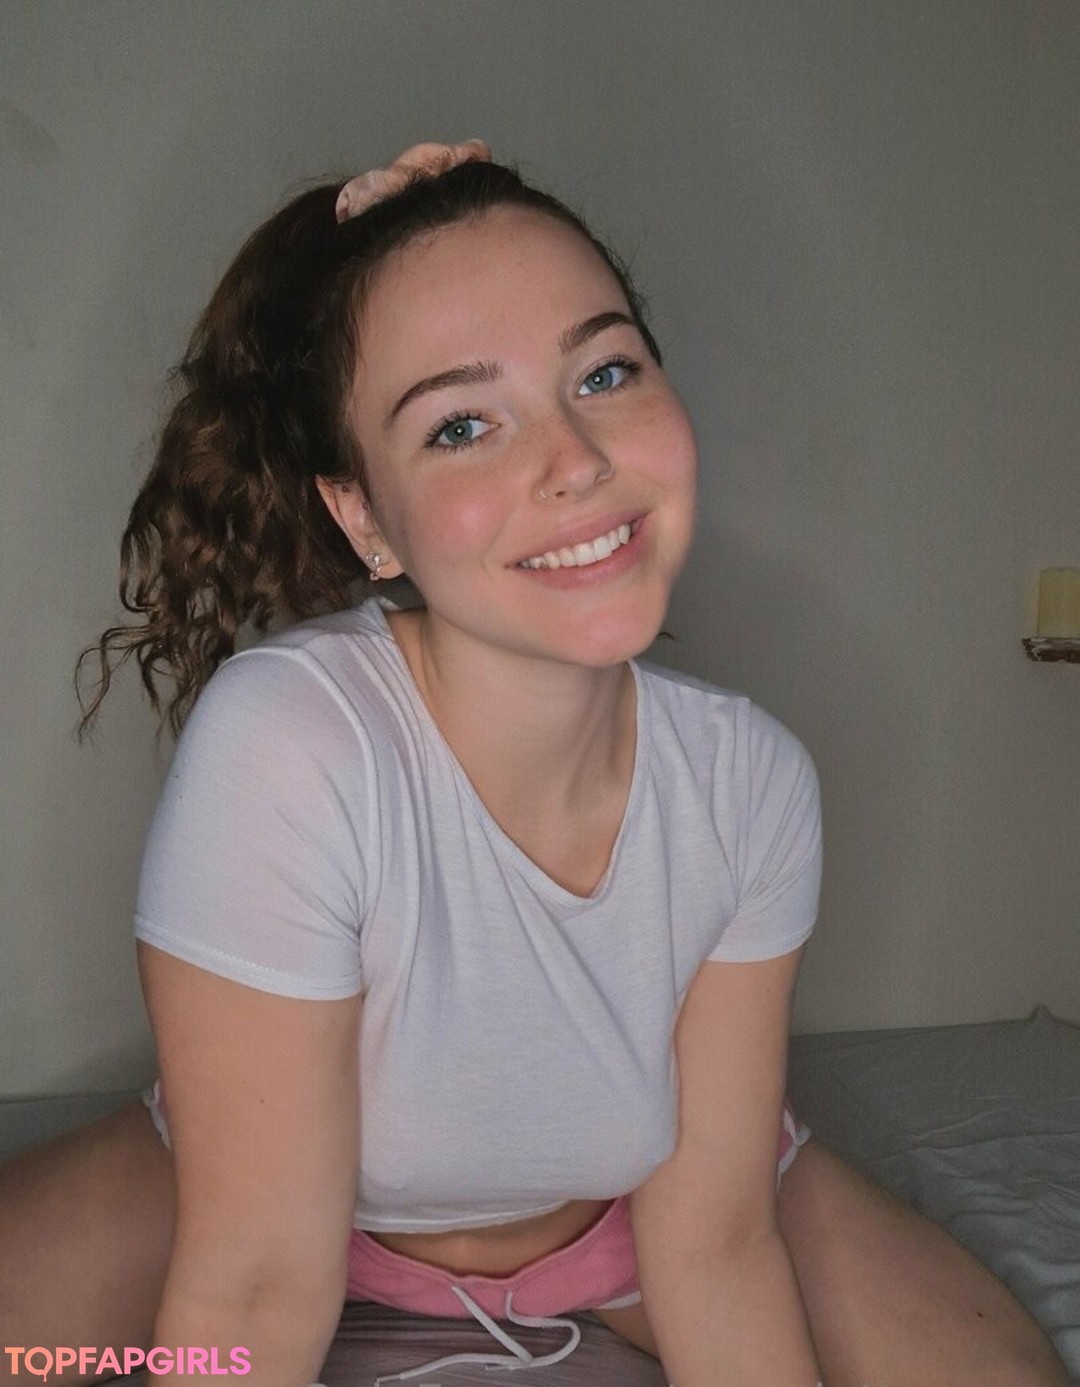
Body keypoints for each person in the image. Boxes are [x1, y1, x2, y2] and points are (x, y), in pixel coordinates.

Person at [0, 140, 1068, 1387]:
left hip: (621, 1221)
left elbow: (716, 1246)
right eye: (462, 425)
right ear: (363, 517)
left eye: (604, 372)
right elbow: (253, 1279)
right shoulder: (292, 744)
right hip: (275, 1194)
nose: (574, 461)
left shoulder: (751, 785)